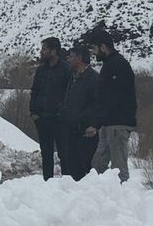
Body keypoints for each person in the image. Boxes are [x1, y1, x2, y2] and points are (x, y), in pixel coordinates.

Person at [88, 28, 137, 183]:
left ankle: (122, 193)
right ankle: (100, 191)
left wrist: (99, 120)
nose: (93, 53)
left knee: (119, 167)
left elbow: (113, 97)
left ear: (103, 47)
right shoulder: (110, 64)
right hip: (108, 123)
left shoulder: (118, 65)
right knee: (98, 163)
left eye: (94, 49)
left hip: (118, 122)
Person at [29, 37, 71, 180]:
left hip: (60, 120)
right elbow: (35, 91)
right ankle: (47, 183)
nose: (41, 52)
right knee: (46, 154)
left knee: (64, 153)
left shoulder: (66, 70)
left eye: (45, 49)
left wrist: (63, 113)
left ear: (54, 51)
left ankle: (66, 183)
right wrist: (33, 112)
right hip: (42, 119)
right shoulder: (41, 70)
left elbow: (70, 93)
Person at [59, 46, 99, 181]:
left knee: (83, 167)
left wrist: (92, 124)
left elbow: (97, 104)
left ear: (79, 58)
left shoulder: (93, 79)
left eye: (71, 56)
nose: (68, 59)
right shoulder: (73, 77)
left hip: (85, 131)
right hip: (70, 128)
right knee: (70, 166)